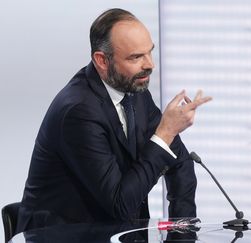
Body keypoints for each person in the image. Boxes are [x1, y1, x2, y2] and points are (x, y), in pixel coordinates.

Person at [16, 8, 211, 233]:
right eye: (136, 57)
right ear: (102, 60)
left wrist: (182, 232)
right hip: (61, 235)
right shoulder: (78, 111)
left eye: (150, 52)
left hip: (113, 233)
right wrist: (165, 133)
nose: (150, 65)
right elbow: (120, 204)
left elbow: (180, 164)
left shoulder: (136, 94)